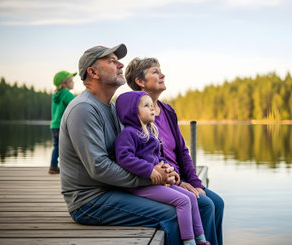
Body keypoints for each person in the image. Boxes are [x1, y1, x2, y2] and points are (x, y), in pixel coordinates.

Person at [59, 44, 183, 245]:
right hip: (90, 202)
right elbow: (99, 167)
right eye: (111, 61)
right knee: (171, 214)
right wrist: (150, 178)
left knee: (189, 202)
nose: (120, 64)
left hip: (114, 189)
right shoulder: (83, 109)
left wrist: (160, 168)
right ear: (93, 72)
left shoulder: (112, 108)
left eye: (118, 60)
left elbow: (131, 152)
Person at [125, 57, 224, 245]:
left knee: (217, 203)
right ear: (140, 81)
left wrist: (196, 182)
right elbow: (149, 157)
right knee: (206, 205)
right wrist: (179, 182)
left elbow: (182, 151)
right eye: (155, 72)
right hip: (165, 180)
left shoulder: (167, 111)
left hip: (179, 177)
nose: (162, 75)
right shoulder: (134, 116)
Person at [115, 91, 210, 245]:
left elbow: (159, 157)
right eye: (146, 106)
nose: (152, 109)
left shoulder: (150, 133)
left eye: (152, 105)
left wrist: (171, 170)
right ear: (132, 111)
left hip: (157, 181)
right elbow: (124, 157)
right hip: (141, 185)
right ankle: (189, 242)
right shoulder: (128, 134)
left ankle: (200, 239)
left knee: (191, 197)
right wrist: (149, 170)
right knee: (183, 201)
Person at [49, 70, 76, 174]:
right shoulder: (66, 93)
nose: (73, 82)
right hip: (62, 126)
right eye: (71, 81)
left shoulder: (56, 95)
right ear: (64, 83)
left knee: (57, 147)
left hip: (54, 125)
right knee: (65, 148)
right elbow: (76, 105)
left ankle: (53, 166)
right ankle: (66, 168)